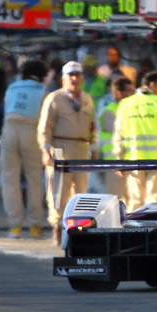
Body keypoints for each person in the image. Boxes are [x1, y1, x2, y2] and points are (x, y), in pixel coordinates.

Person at [38, 61, 97, 242]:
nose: (74, 78)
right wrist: (46, 150)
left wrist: (93, 148)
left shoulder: (87, 99)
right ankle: (57, 225)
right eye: (70, 75)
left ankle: (78, 228)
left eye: (77, 75)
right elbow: (45, 127)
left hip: (81, 147)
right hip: (60, 146)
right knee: (58, 190)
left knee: (80, 190)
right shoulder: (54, 98)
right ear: (63, 78)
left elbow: (92, 127)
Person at [0, 59, 48, 238]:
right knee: (34, 177)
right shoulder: (42, 90)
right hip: (31, 130)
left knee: (9, 178)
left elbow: (5, 109)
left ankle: (15, 225)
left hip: (10, 129)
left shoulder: (12, 87)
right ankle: (35, 225)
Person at [113, 72, 157, 209]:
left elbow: (118, 134)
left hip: (133, 160)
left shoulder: (125, 104)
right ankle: (154, 229)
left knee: (134, 201)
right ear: (152, 85)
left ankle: (135, 229)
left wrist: (119, 159)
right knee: (155, 200)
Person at [95, 76, 133, 201]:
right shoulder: (109, 112)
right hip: (114, 164)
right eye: (129, 91)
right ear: (119, 94)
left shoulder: (130, 110)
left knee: (131, 201)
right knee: (115, 201)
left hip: (129, 162)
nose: (133, 94)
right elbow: (126, 133)